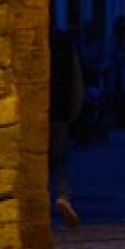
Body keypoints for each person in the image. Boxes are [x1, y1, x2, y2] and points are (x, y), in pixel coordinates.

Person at [48, 25, 84, 225]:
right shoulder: (67, 49)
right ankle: (62, 195)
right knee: (59, 160)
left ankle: (37, 200)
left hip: (36, 112)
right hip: (60, 111)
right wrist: (74, 112)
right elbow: (76, 82)